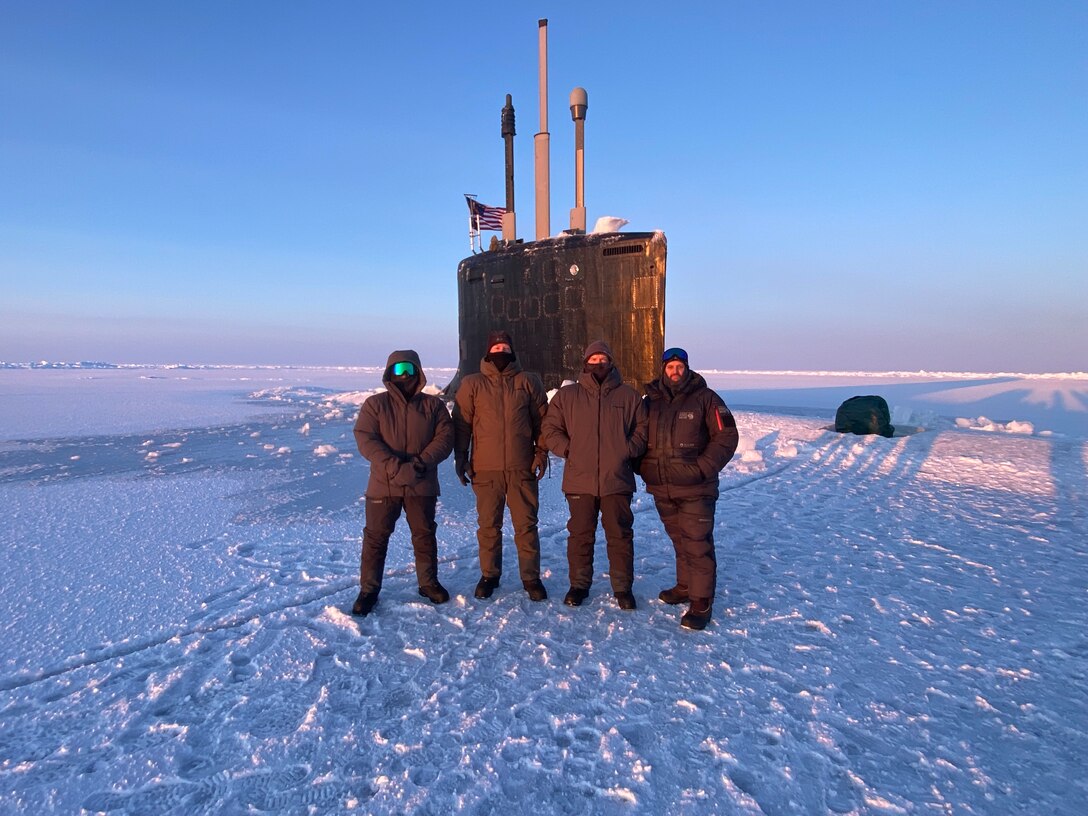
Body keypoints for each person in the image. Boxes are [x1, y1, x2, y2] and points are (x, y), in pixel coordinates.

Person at [541, 341, 648, 609]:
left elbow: (642, 430)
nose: (598, 363)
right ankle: (578, 585)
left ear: (611, 362)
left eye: (603, 359)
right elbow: (550, 429)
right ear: (585, 362)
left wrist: (626, 450)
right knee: (580, 535)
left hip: (617, 479)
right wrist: (569, 449)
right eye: (594, 359)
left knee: (620, 535)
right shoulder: (567, 397)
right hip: (580, 479)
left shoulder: (628, 396)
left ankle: (622, 588)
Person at [638, 347, 738, 629]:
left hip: (696, 487)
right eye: (670, 367)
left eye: (680, 366)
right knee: (680, 540)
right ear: (663, 369)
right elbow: (637, 436)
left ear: (687, 368)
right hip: (662, 486)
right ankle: (685, 585)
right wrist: (643, 467)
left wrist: (703, 468)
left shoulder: (706, 399)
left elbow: (727, 436)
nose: (675, 371)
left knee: (697, 543)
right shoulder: (650, 402)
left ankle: (701, 600)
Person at [351, 350, 454, 616]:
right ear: (388, 373)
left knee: (424, 534)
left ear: (418, 371)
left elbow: (445, 438)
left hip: (422, 482)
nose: (404, 374)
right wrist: (395, 467)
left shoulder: (433, 406)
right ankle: (369, 589)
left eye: (409, 368)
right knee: (375, 537)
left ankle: (428, 583)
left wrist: (420, 463)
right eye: (398, 369)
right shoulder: (375, 405)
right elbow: (366, 439)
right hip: (384, 484)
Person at [453, 330, 550, 602]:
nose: (500, 353)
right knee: (488, 526)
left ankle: (531, 578)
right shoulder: (472, 384)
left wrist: (541, 453)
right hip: (485, 469)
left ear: (513, 351)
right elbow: (461, 424)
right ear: (488, 352)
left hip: (522, 468)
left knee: (526, 526)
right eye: (496, 348)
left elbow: (543, 422)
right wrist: (461, 457)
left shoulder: (528, 382)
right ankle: (489, 575)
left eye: (505, 347)